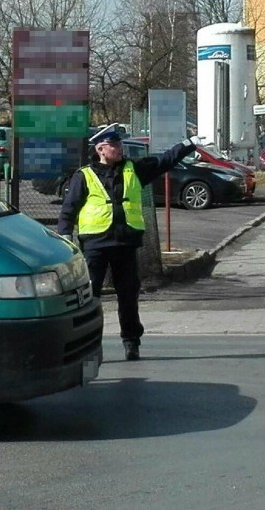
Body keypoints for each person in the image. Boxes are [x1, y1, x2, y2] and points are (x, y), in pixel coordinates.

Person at [58, 124, 200, 361]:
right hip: (96, 245)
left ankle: (131, 342)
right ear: (101, 149)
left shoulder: (133, 169)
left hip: (125, 244)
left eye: (120, 144)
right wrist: (65, 237)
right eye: (114, 145)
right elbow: (68, 210)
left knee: (128, 296)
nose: (120, 148)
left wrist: (188, 145)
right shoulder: (84, 176)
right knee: (91, 298)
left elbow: (164, 161)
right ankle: (89, 345)